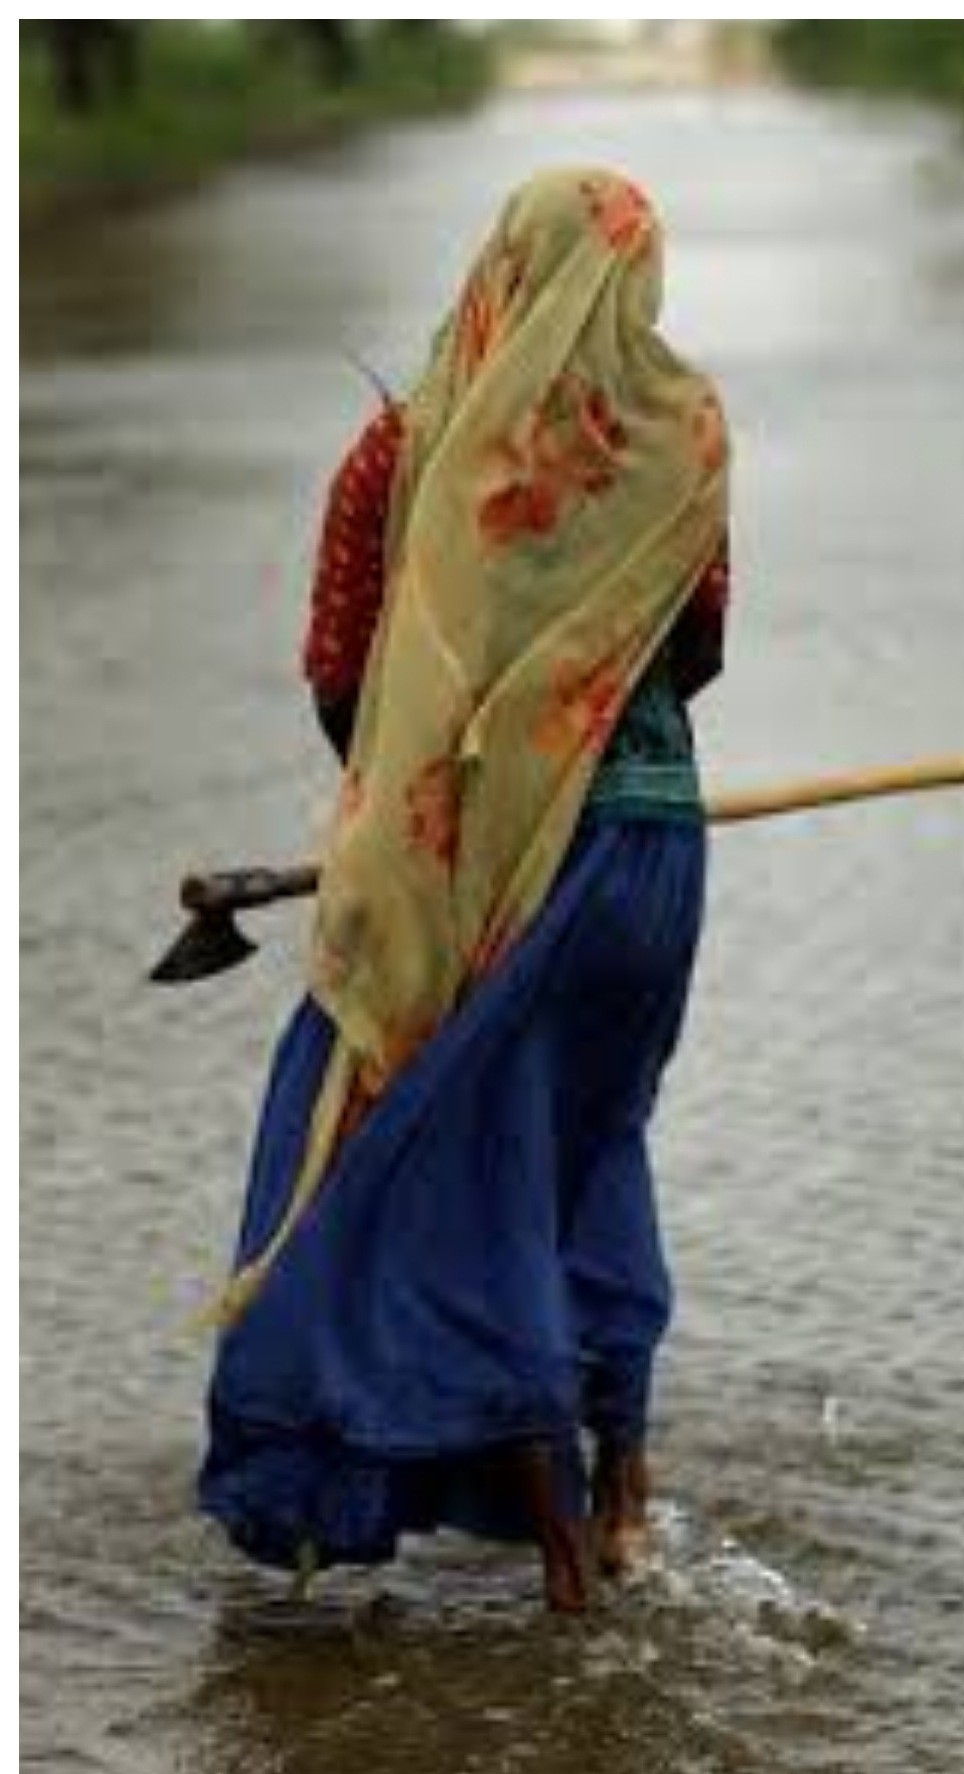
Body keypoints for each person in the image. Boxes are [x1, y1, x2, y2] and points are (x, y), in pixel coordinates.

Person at [199, 167, 733, 1613]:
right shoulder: (685, 437)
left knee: (417, 1156)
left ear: (500, 264)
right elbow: (695, 655)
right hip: (653, 852)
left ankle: (552, 1562)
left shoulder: (406, 445)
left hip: (477, 862)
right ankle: (622, 1495)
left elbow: (338, 671)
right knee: (590, 1140)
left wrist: (417, 805)